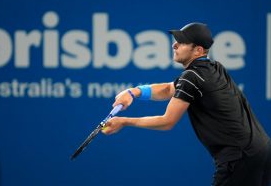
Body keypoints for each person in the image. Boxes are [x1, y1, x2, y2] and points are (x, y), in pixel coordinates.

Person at [101, 22, 271, 186]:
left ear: (198, 50)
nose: (175, 45)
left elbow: (167, 122)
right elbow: (169, 89)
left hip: (239, 158)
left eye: (182, 42)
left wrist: (124, 121)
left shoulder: (192, 77)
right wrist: (134, 92)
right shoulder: (214, 67)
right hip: (261, 150)